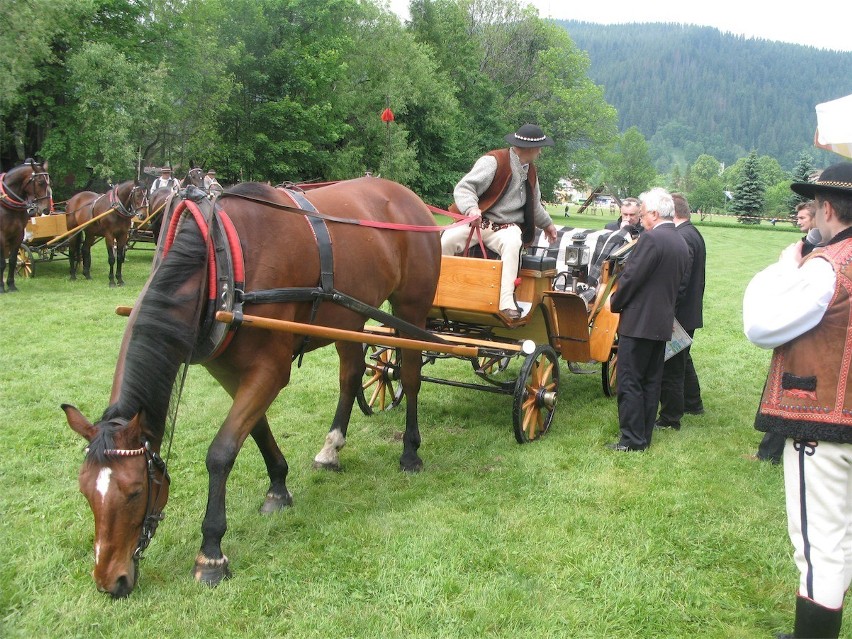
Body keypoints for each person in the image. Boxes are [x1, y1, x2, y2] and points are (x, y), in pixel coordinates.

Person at [743, 161, 852, 639]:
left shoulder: (828, 267)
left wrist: (787, 265)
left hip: (825, 420)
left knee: (821, 541)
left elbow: (761, 325)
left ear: (826, 208)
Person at [441, 124, 559, 320]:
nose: (540, 152)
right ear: (529, 148)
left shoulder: (531, 171)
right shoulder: (493, 161)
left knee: (513, 243)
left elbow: (534, 205)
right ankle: (436, 292)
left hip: (505, 228)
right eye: (539, 148)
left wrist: (548, 225)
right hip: (477, 222)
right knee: (446, 241)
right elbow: (464, 188)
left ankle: (506, 303)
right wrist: (472, 209)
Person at [607, 187, 689, 452]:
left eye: (642, 214)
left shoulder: (651, 240)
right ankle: (643, 436)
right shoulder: (680, 240)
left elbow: (631, 278)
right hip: (661, 322)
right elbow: (678, 286)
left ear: (654, 214)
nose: (640, 219)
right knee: (651, 382)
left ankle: (631, 440)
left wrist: (615, 302)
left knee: (630, 380)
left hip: (639, 323)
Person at [748, 200, 820, 464]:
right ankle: (772, 450)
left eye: (803, 217)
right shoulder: (810, 243)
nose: (799, 221)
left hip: (805, 331)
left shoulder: (818, 248)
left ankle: (771, 452)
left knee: (787, 388)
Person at [655, 193, 706, 430]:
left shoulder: (683, 236)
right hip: (689, 313)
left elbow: (681, 282)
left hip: (679, 314)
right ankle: (693, 403)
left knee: (671, 368)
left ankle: (670, 419)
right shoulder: (692, 232)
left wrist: (668, 315)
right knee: (683, 360)